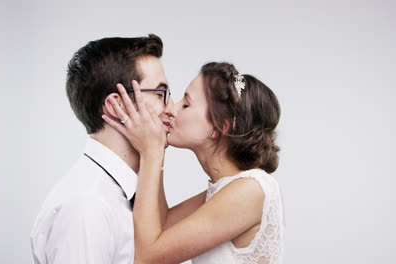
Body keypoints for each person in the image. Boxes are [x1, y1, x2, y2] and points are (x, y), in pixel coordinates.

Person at [103, 62, 285, 264]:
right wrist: (156, 150)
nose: (172, 108)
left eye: (186, 104)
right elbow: (160, 227)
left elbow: (146, 258)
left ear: (219, 127)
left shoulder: (251, 189)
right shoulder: (225, 190)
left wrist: (150, 153)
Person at [30, 34, 173, 264]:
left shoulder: (123, 193)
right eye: (160, 94)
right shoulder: (88, 206)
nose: (171, 108)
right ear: (117, 105)